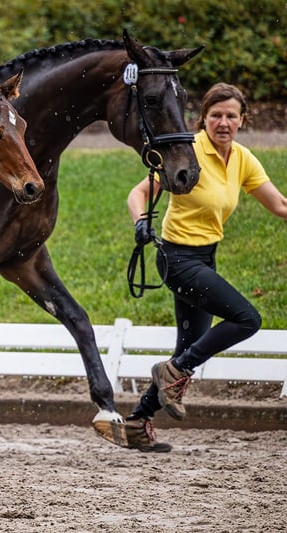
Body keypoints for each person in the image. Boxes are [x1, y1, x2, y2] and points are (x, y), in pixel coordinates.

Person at [123, 82, 287, 452]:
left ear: (243, 120)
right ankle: (175, 372)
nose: (223, 122)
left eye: (231, 116)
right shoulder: (188, 150)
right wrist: (140, 221)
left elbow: (279, 205)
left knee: (187, 349)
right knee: (247, 319)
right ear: (203, 119)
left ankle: (136, 422)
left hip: (205, 257)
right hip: (177, 258)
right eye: (216, 115)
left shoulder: (242, 158)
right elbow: (139, 193)